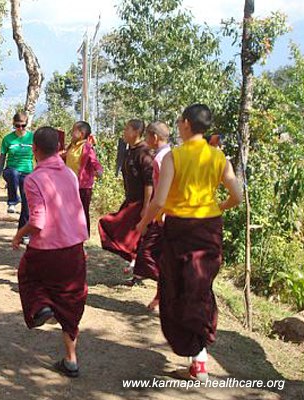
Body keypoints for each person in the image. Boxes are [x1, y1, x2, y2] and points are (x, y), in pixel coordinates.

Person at [136, 104, 242, 381]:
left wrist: (143, 223)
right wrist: (220, 205)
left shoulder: (175, 156)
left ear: (185, 123)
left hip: (180, 229)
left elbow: (159, 200)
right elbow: (238, 196)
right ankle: (200, 360)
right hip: (209, 228)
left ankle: (196, 357)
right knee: (200, 287)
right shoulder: (218, 157)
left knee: (177, 288)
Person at [12, 126, 88, 378]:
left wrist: (19, 234)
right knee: (71, 301)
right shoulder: (69, 174)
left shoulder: (34, 179)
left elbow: (38, 221)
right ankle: (71, 360)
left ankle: (42, 307)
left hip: (46, 249)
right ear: (58, 149)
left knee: (27, 276)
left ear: (34, 149)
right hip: (74, 247)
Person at [98, 119, 153, 281]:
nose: (124, 132)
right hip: (130, 200)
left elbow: (149, 183)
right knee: (119, 230)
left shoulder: (145, 153)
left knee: (112, 225)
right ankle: (136, 264)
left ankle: (140, 268)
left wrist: (146, 207)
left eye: (127, 129)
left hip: (140, 203)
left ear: (136, 132)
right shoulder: (130, 150)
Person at [133, 121, 171, 309]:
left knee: (147, 255)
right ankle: (160, 295)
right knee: (160, 257)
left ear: (154, 138)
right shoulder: (169, 155)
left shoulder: (162, 159)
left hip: (163, 215)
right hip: (163, 213)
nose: (145, 139)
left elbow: (163, 191)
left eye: (147, 136)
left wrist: (151, 217)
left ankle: (170, 287)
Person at [0, 112, 34, 242]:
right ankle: (12, 201)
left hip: (27, 174)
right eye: (17, 125)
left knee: (27, 205)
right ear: (13, 124)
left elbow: (39, 157)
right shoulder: (8, 139)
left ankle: (24, 234)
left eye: (23, 126)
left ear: (27, 125)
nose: (20, 128)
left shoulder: (32, 138)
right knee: (14, 173)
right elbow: (2, 158)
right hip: (10, 171)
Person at [63, 121, 103, 236]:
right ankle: (70, 233)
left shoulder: (86, 147)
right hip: (70, 185)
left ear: (81, 133)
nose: (71, 133)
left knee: (82, 211)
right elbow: (65, 157)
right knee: (69, 210)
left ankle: (84, 234)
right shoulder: (72, 146)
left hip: (83, 186)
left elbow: (94, 161)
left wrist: (99, 171)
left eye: (74, 130)